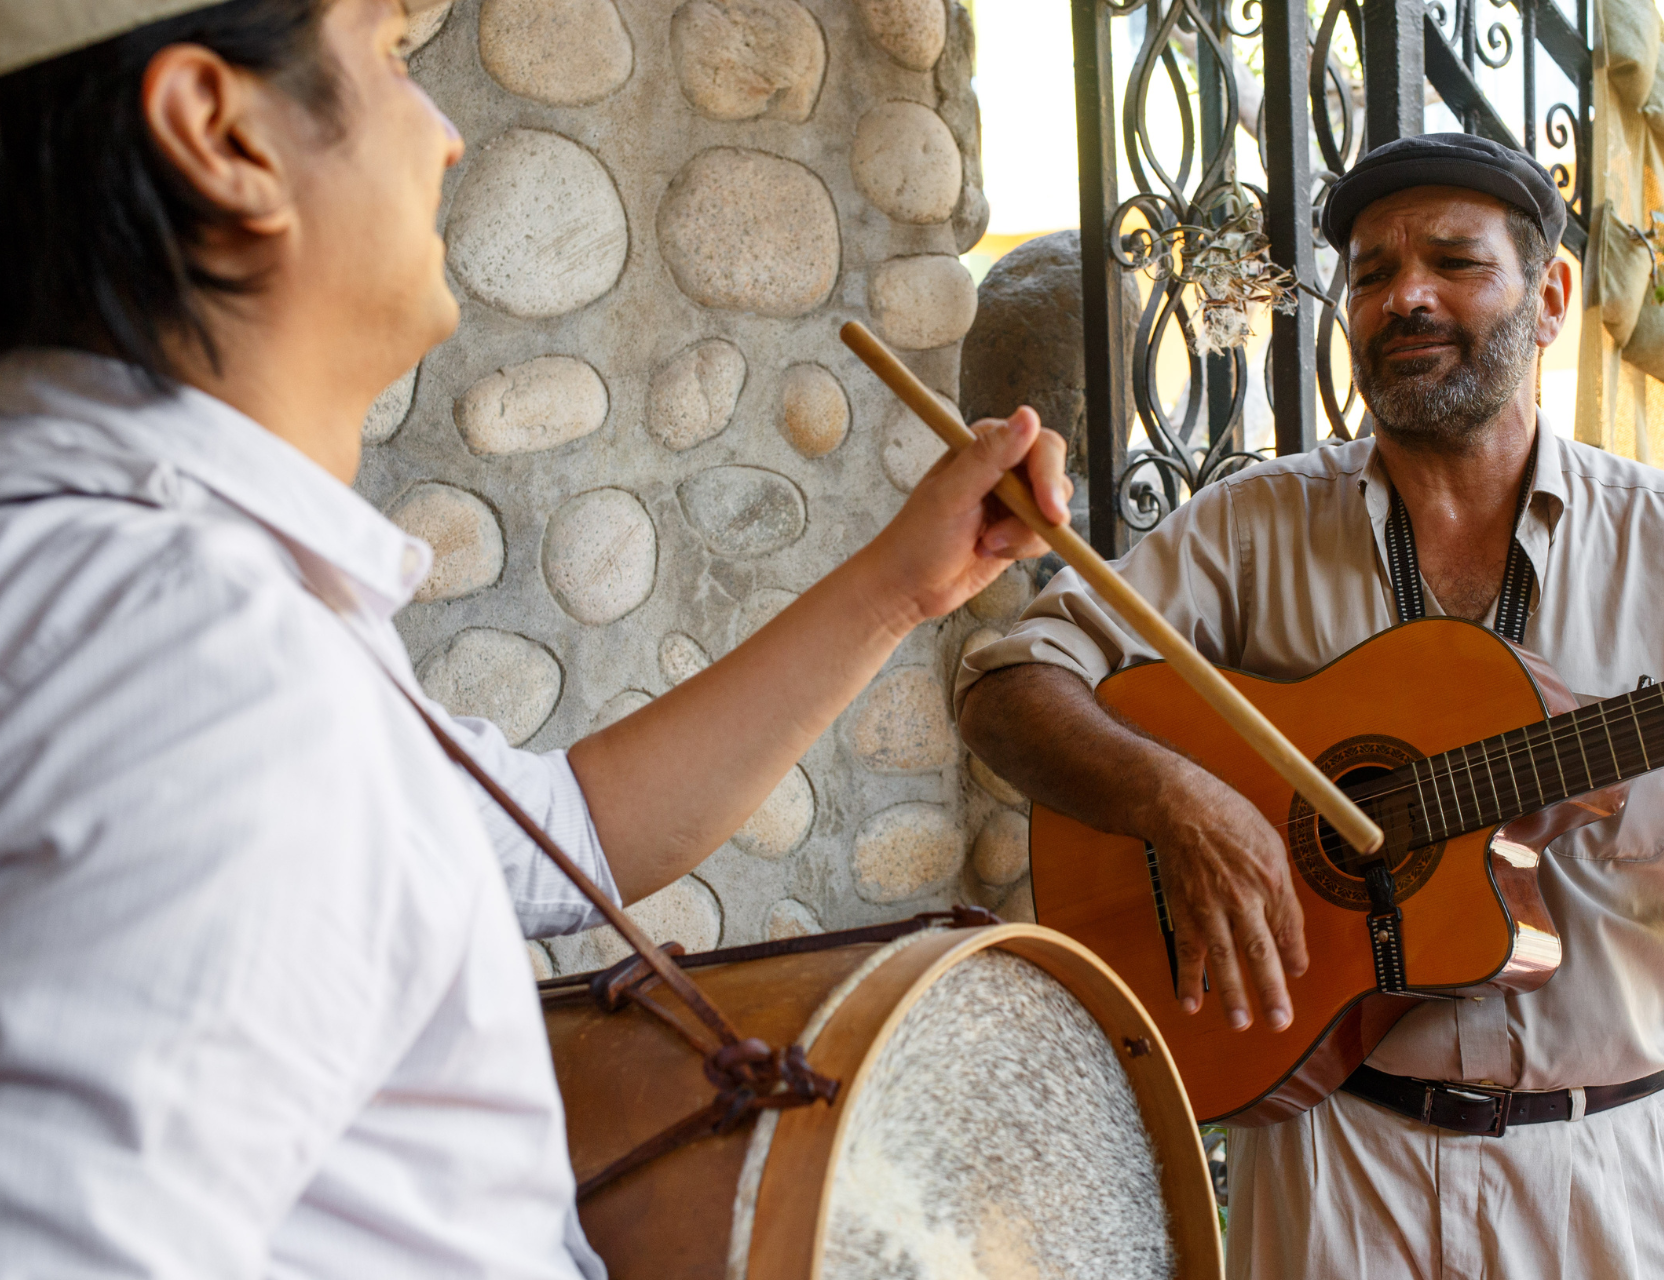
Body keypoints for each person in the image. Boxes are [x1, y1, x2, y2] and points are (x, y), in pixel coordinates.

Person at [0, 1, 1070, 1275]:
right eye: (389, 57)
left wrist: (903, 582)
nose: (445, 133)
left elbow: (569, 829)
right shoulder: (203, 655)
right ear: (217, 132)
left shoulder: (151, 592)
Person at [959, 132, 1664, 1278]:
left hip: (1616, 1175)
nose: (1404, 294)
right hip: (1333, 1160)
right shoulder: (1251, 528)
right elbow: (1007, 685)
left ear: (1551, 296)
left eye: (1455, 261)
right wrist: (1178, 800)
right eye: (1371, 273)